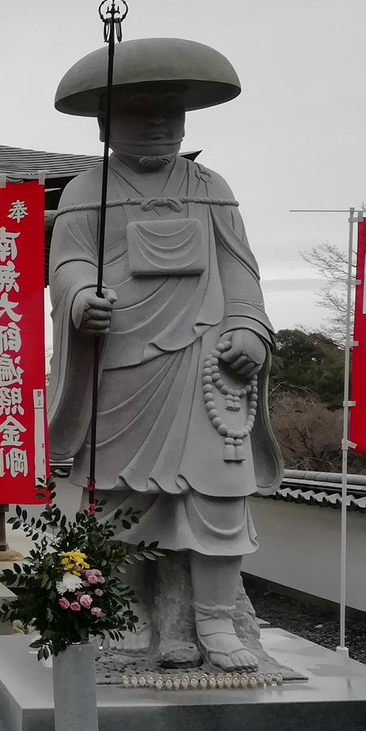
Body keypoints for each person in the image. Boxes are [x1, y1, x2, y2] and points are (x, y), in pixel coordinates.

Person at [47, 38, 283, 672]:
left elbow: (241, 273)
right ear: (104, 122)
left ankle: (216, 624)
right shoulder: (85, 191)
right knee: (118, 497)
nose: (155, 123)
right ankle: (122, 617)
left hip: (206, 363)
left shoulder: (212, 187)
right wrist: (77, 298)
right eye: (138, 110)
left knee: (218, 499)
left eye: (168, 112)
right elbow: (66, 264)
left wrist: (249, 329)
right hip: (122, 363)